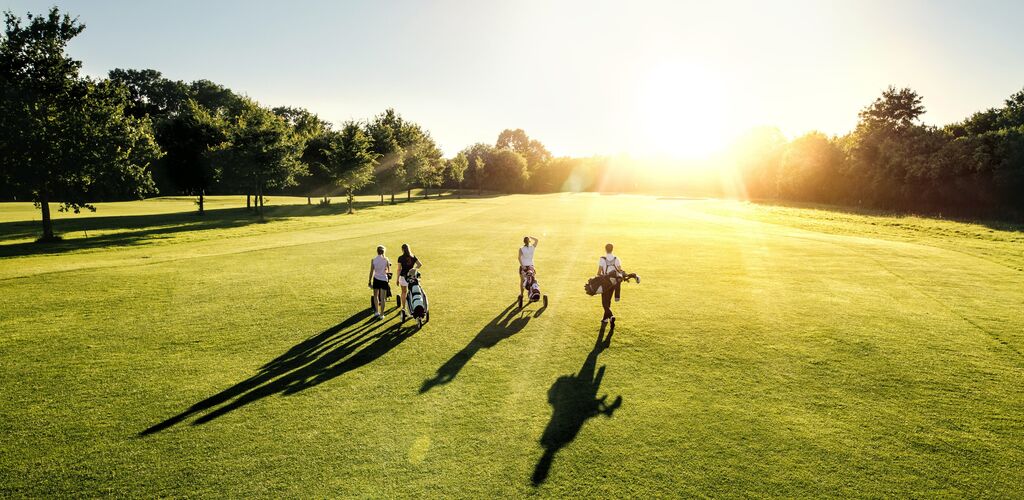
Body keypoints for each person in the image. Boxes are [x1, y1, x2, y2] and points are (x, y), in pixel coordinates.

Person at [597, 243, 623, 324]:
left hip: (605, 283)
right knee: (608, 301)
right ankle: (605, 319)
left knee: (604, 303)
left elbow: (598, 272)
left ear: (605, 249)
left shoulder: (602, 259)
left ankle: (611, 316)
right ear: (612, 249)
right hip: (614, 283)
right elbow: (620, 271)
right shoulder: (616, 258)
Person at [396, 243, 423, 311]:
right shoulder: (413, 256)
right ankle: (413, 306)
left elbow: (399, 269)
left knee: (404, 292)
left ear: (402, 250)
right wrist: (414, 269)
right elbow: (419, 264)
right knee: (412, 292)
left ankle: (404, 307)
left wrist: (397, 279)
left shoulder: (400, 258)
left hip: (403, 277)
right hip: (412, 277)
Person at [368, 245, 391, 320]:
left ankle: (376, 312)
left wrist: (369, 281)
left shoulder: (373, 260)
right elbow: (388, 271)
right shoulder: (386, 259)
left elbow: (371, 272)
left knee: (375, 296)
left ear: (377, 251)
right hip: (384, 279)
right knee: (382, 298)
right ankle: (381, 314)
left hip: (376, 279)